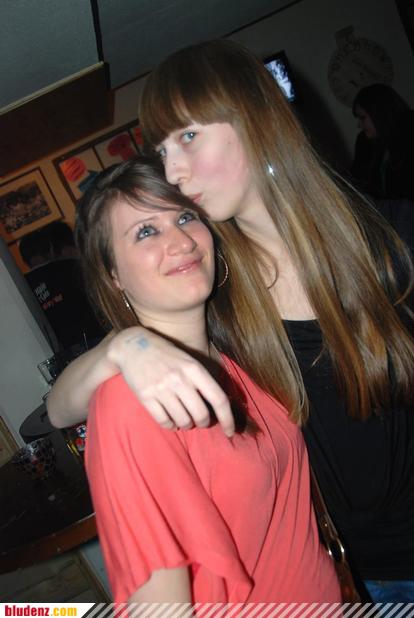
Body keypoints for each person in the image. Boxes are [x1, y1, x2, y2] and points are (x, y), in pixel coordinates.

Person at [48, 39, 414, 602]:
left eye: (187, 137)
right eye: (162, 149)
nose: (173, 169)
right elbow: (60, 407)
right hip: (366, 579)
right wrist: (125, 344)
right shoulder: (215, 293)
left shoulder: (393, 241)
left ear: (253, 118)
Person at [75, 156, 339, 603]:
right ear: (114, 276)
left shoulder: (239, 352)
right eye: (145, 231)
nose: (180, 241)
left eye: (184, 217)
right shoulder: (128, 405)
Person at [20, 222, 105, 351]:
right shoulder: (70, 266)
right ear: (50, 248)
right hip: (90, 334)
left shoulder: (23, 285)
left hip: (58, 348)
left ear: (24, 259)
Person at [351, 83, 414, 200]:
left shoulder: (409, 136)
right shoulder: (366, 141)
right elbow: (357, 177)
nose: (359, 125)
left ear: (379, 113)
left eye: (363, 118)